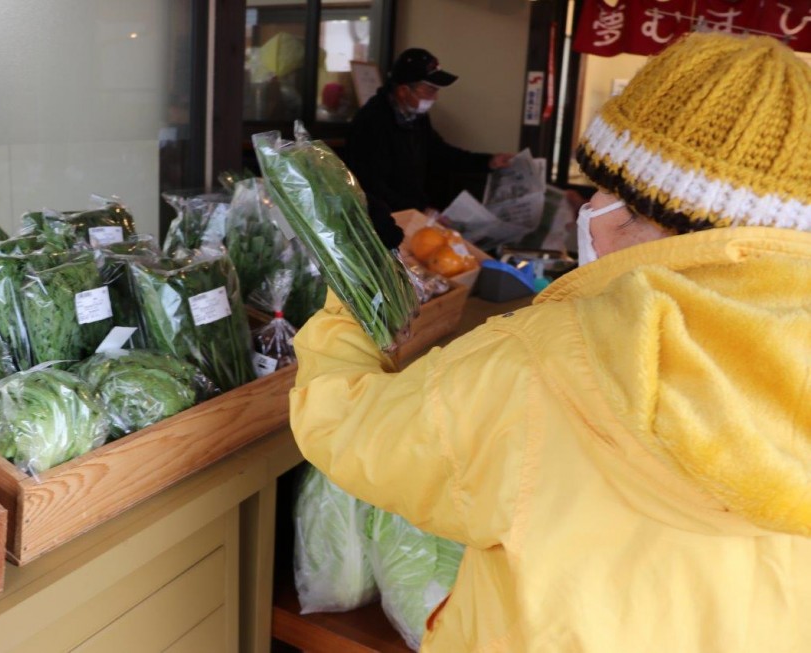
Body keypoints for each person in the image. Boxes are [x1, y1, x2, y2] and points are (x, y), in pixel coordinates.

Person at [290, 32, 811, 651]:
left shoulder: (546, 359)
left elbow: (351, 428)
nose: (587, 207)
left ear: (648, 215)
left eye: (603, 191)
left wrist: (351, 299)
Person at [346, 48, 513, 220]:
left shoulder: (415, 117)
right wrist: (420, 210)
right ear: (403, 91)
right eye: (429, 90)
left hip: (414, 213)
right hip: (384, 219)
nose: (435, 98)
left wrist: (489, 162)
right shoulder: (371, 122)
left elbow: (440, 153)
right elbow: (370, 185)